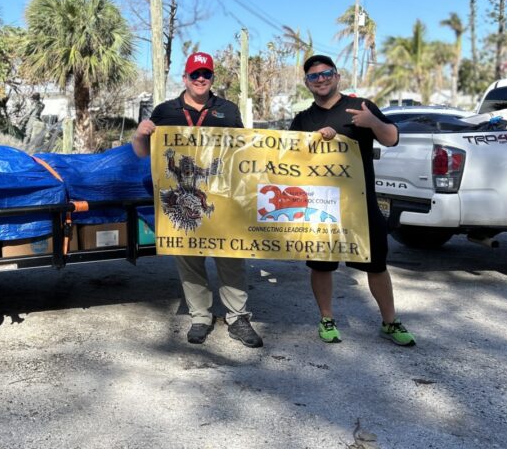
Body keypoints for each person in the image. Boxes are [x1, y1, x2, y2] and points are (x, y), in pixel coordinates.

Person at [133, 52, 262, 348]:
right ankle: (200, 317)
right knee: (189, 260)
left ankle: (238, 317)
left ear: (212, 78)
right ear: (185, 78)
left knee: (231, 258)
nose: (201, 79)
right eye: (195, 74)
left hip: (223, 198)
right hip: (181, 199)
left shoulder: (227, 110)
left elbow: (244, 153)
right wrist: (141, 134)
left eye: (206, 74)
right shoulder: (165, 111)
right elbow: (142, 152)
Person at [289, 55, 416, 346]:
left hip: (360, 202)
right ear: (307, 82)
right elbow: (290, 159)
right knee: (321, 265)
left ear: (337, 76)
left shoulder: (361, 106)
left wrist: (372, 122)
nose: (320, 79)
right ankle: (327, 318)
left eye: (326, 73)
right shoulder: (303, 119)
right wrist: (313, 141)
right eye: (313, 76)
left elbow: (392, 138)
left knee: (376, 264)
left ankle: (390, 322)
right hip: (320, 204)